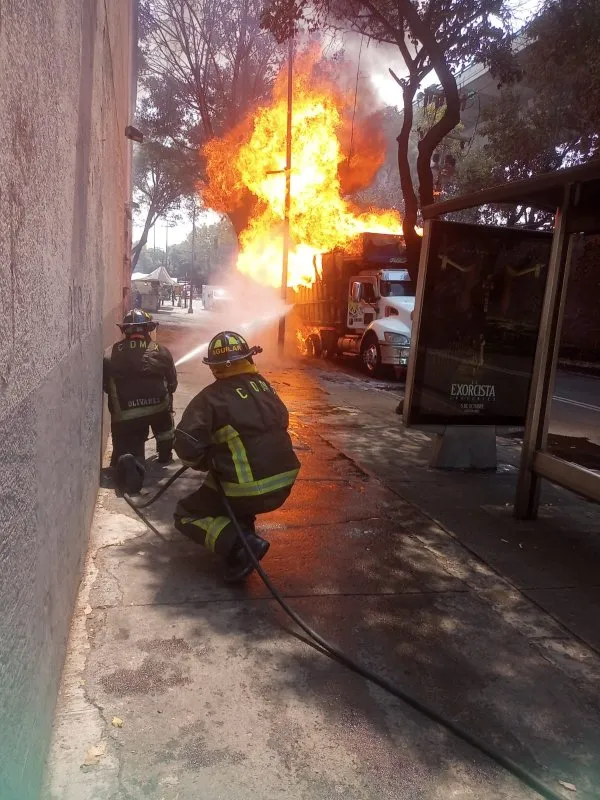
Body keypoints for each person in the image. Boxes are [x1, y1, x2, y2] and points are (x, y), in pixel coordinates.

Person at [173, 331, 300, 583]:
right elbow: (282, 421)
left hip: (248, 488)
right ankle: (242, 542)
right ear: (248, 357)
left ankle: (241, 547)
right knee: (229, 490)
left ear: (215, 367)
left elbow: (185, 445)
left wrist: (206, 460)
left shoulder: (210, 398)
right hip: (285, 482)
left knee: (186, 513)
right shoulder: (266, 386)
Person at [103, 309, 178, 493]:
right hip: (158, 409)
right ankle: (165, 454)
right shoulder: (161, 351)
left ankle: (128, 458)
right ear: (148, 329)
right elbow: (172, 384)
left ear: (125, 330)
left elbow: (106, 385)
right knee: (165, 426)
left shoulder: (109, 353)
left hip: (125, 414)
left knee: (125, 443)